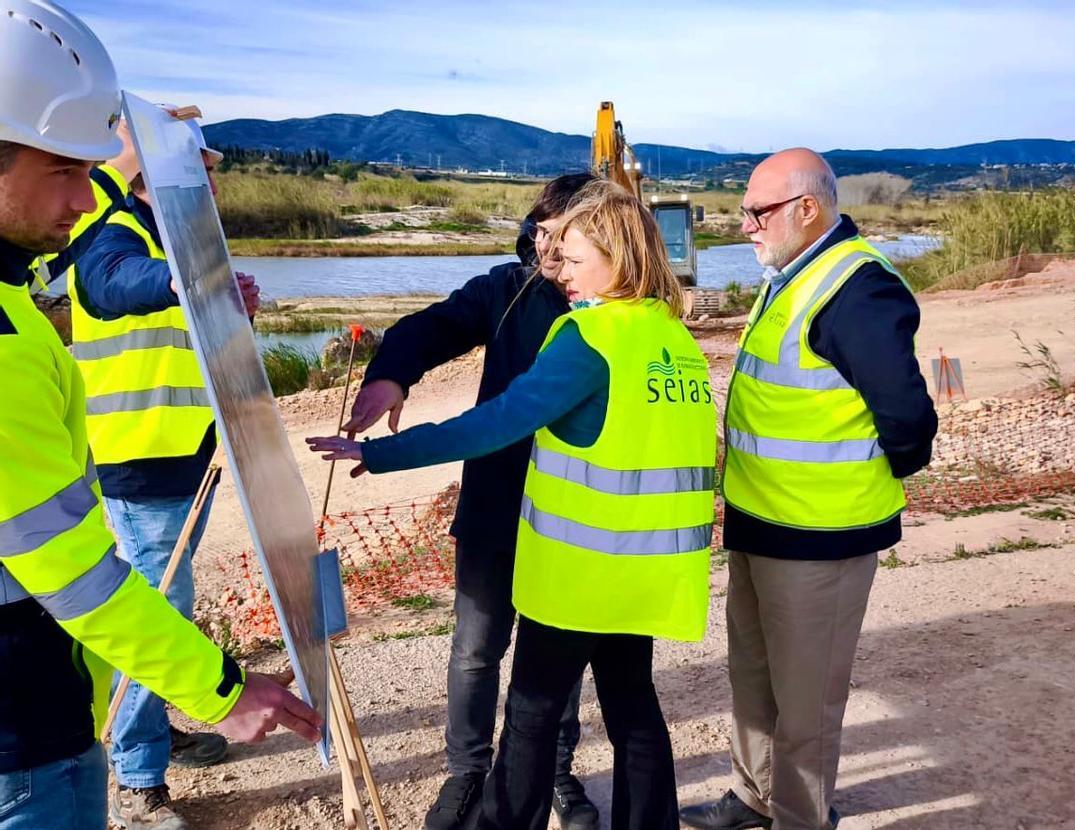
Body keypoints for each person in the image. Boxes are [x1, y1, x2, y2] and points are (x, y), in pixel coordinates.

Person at [0, 4, 322, 829]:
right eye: (64, 169)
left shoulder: (21, 288)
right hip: (25, 712)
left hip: (46, 676)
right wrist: (217, 689)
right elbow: (71, 573)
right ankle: (145, 771)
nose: (84, 191)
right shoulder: (90, 259)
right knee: (154, 598)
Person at [309, 179, 717, 829]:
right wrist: (391, 371)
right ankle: (480, 780)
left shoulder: (590, 337)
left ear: (614, 252)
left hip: (576, 562)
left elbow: (496, 422)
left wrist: (383, 455)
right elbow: (435, 328)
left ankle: (524, 804)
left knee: (531, 710)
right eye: (545, 242)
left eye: (572, 252)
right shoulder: (672, 338)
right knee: (627, 708)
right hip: (628, 564)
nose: (557, 264)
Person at [679, 149, 938, 830]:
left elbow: (908, 419)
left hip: (821, 540)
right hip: (761, 524)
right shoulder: (793, 274)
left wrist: (849, 492)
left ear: (807, 209)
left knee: (807, 703)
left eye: (755, 212)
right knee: (754, 683)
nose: (744, 227)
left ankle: (800, 817)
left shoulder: (857, 287)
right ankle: (751, 800)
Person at [339, 173, 601, 830]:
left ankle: (556, 771)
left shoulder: (612, 307)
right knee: (477, 646)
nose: (544, 243)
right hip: (493, 498)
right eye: (538, 228)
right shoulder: (505, 293)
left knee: (558, 652)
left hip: (572, 510)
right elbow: (432, 327)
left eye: (559, 231)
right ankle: (466, 775)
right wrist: (391, 374)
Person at [71, 109, 260, 829]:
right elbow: (110, 282)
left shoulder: (169, 238)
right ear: (156, 173)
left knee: (165, 599)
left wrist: (224, 303)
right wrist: (184, 283)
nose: (211, 181)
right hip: (139, 457)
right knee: (156, 609)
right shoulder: (117, 233)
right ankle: (137, 777)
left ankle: (145, 737)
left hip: (184, 451)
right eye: (202, 169)